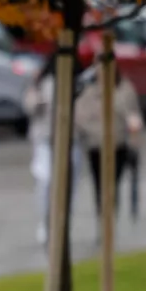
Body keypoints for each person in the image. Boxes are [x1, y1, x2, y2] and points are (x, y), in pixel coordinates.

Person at [22, 58, 86, 245]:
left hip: (71, 139)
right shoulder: (42, 81)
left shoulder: (78, 83)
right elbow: (29, 104)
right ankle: (46, 222)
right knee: (45, 180)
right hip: (45, 138)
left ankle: (63, 224)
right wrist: (38, 100)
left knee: (70, 185)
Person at [74, 63, 143, 232]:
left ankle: (110, 221)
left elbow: (133, 115)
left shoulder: (124, 89)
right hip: (96, 145)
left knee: (112, 185)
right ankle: (102, 221)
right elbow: (79, 117)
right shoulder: (90, 92)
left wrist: (134, 134)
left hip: (118, 144)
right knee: (99, 186)